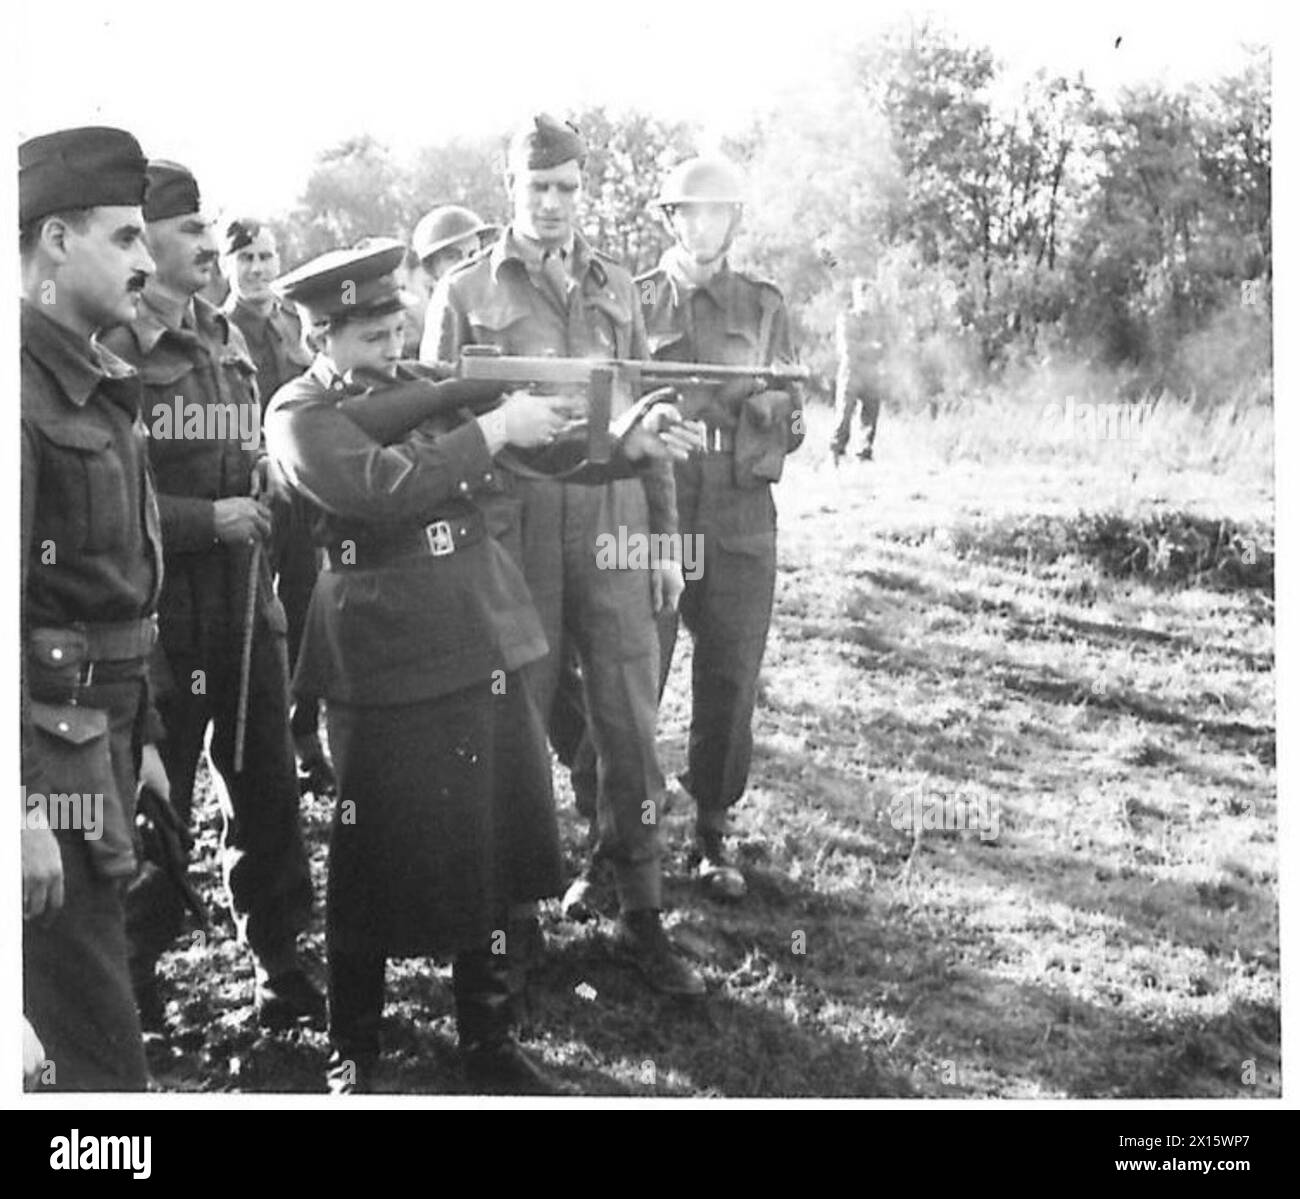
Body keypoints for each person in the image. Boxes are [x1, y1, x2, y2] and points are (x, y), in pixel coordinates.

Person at [265, 241, 577, 1093]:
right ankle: (354, 1046)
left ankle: (488, 1034)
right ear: (317, 336)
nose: (391, 348)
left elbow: (542, 453)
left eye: (395, 327)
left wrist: (620, 436)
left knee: (493, 836)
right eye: (368, 337)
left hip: (475, 626)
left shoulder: (426, 386)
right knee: (368, 852)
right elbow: (379, 487)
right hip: (381, 650)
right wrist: (488, 428)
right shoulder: (298, 412)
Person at [424, 115, 706, 997]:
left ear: (585, 192)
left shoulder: (618, 284)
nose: (553, 204)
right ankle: (512, 918)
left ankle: (642, 910)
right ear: (511, 188)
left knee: (628, 713)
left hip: (614, 514)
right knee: (514, 717)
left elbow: (647, 416)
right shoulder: (465, 293)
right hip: (516, 525)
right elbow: (437, 427)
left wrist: (662, 537)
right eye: (538, 188)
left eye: (569, 189)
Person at [102, 161, 319, 1033]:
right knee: (159, 801)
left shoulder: (225, 337)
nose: (205, 243)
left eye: (206, 228)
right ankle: (133, 971)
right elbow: (108, 497)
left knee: (267, 787)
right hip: (157, 622)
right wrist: (208, 517)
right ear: (144, 240)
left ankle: (280, 961)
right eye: (188, 228)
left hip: (243, 610)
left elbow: (246, 437)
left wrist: (260, 475)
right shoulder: (113, 350)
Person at [20, 125, 170, 1089]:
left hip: (100, 736)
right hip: (45, 766)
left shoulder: (93, 381)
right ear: (54, 240)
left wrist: (146, 729)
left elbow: (119, 587)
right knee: (97, 1054)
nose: (148, 264)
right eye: (124, 238)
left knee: (92, 1013)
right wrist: (18, 808)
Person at [639, 155, 805, 901]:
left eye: (716, 212)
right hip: (657, 506)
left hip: (740, 512)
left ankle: (711, 830)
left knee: (731, 674)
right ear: (671, 220)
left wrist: (774, 423)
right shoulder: (634, 302)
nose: (702, 225)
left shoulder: (765, 305)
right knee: (635, 669)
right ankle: (620, 836)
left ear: (733, 221)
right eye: (689, 212)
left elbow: (793, 412)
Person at [220, 217, 332, 796]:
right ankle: (266, 747)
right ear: (226, 265)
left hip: (305, 495)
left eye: (266, 256)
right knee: (265, 620)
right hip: (258, 492)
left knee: (310, 606)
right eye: (246, 259)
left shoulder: (294, 322)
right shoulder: (220, 331)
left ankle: (305, 733)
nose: (259, 269)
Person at [830, 276, 883, 463]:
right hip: (851, 372)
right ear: (857, 296)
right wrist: (871, 348)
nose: (868, 300)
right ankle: (836, 453)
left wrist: (871, 349)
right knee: (844, 414)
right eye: (865, 295)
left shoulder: (876, 322)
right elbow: (847, 349)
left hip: (870, 373)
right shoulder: (846, 318)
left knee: (871, 414)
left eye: (871, 296)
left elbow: (884, 348)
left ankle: (865, 453)